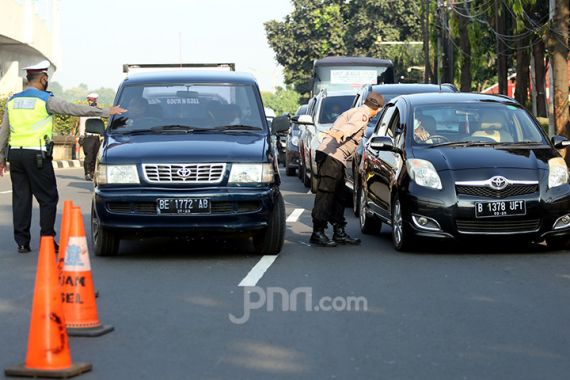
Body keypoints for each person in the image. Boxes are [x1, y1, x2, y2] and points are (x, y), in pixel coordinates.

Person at [0, 61, 126, 254]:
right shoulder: (45, 100)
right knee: (48, 198)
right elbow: (74, 109)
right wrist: (105, 112)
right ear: (43, 79)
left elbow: (4, 132)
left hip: (15, 155)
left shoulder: (13, 100)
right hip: (37, 155)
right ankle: (47, 240)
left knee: (21, 198)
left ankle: (22, 243)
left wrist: (1, 157)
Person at [310, 92, 384, 247]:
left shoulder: (355, 110)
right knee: (326, 194)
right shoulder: (362, 115)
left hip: (335, 158)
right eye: (378, 110)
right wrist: (341, 133)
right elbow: (350, 127)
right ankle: (318, 232)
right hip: (332, 157)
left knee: (339, 196)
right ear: (376, 108)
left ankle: (339, 231)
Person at [79, 93, 102, 180]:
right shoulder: (84, 111)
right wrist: (81, 136)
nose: (90, 101)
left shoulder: (98, 111)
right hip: (88, 136)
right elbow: (82, 124)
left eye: (92, 100)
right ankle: (87, 173)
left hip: (97, 137)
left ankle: (93, 173)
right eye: (89, 100)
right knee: (89, 156)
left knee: (96, 156)